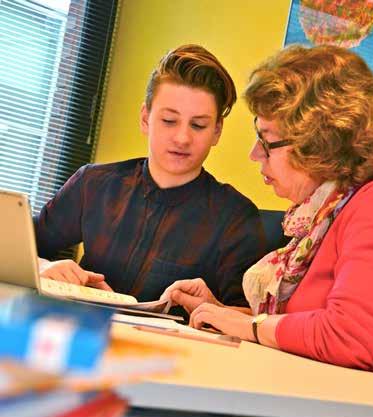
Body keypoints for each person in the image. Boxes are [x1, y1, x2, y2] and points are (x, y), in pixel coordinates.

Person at [162, 44, 373, 417]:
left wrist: (247, 326)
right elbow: (311, 325)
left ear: (320, 142)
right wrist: (221, 311)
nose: (254, 154)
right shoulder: (328, 211)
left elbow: (353, 337)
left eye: (266, 140)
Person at [34, 44, 265, 304]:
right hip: (85, 332)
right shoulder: (94, 184)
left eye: (198, 125)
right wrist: (42, 267)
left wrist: (214, 309)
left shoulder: (236, 218)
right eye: (169, 121)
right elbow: (21, 247)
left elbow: (249, 321)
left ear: (217, 131)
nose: (182, 138)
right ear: (145, 119)